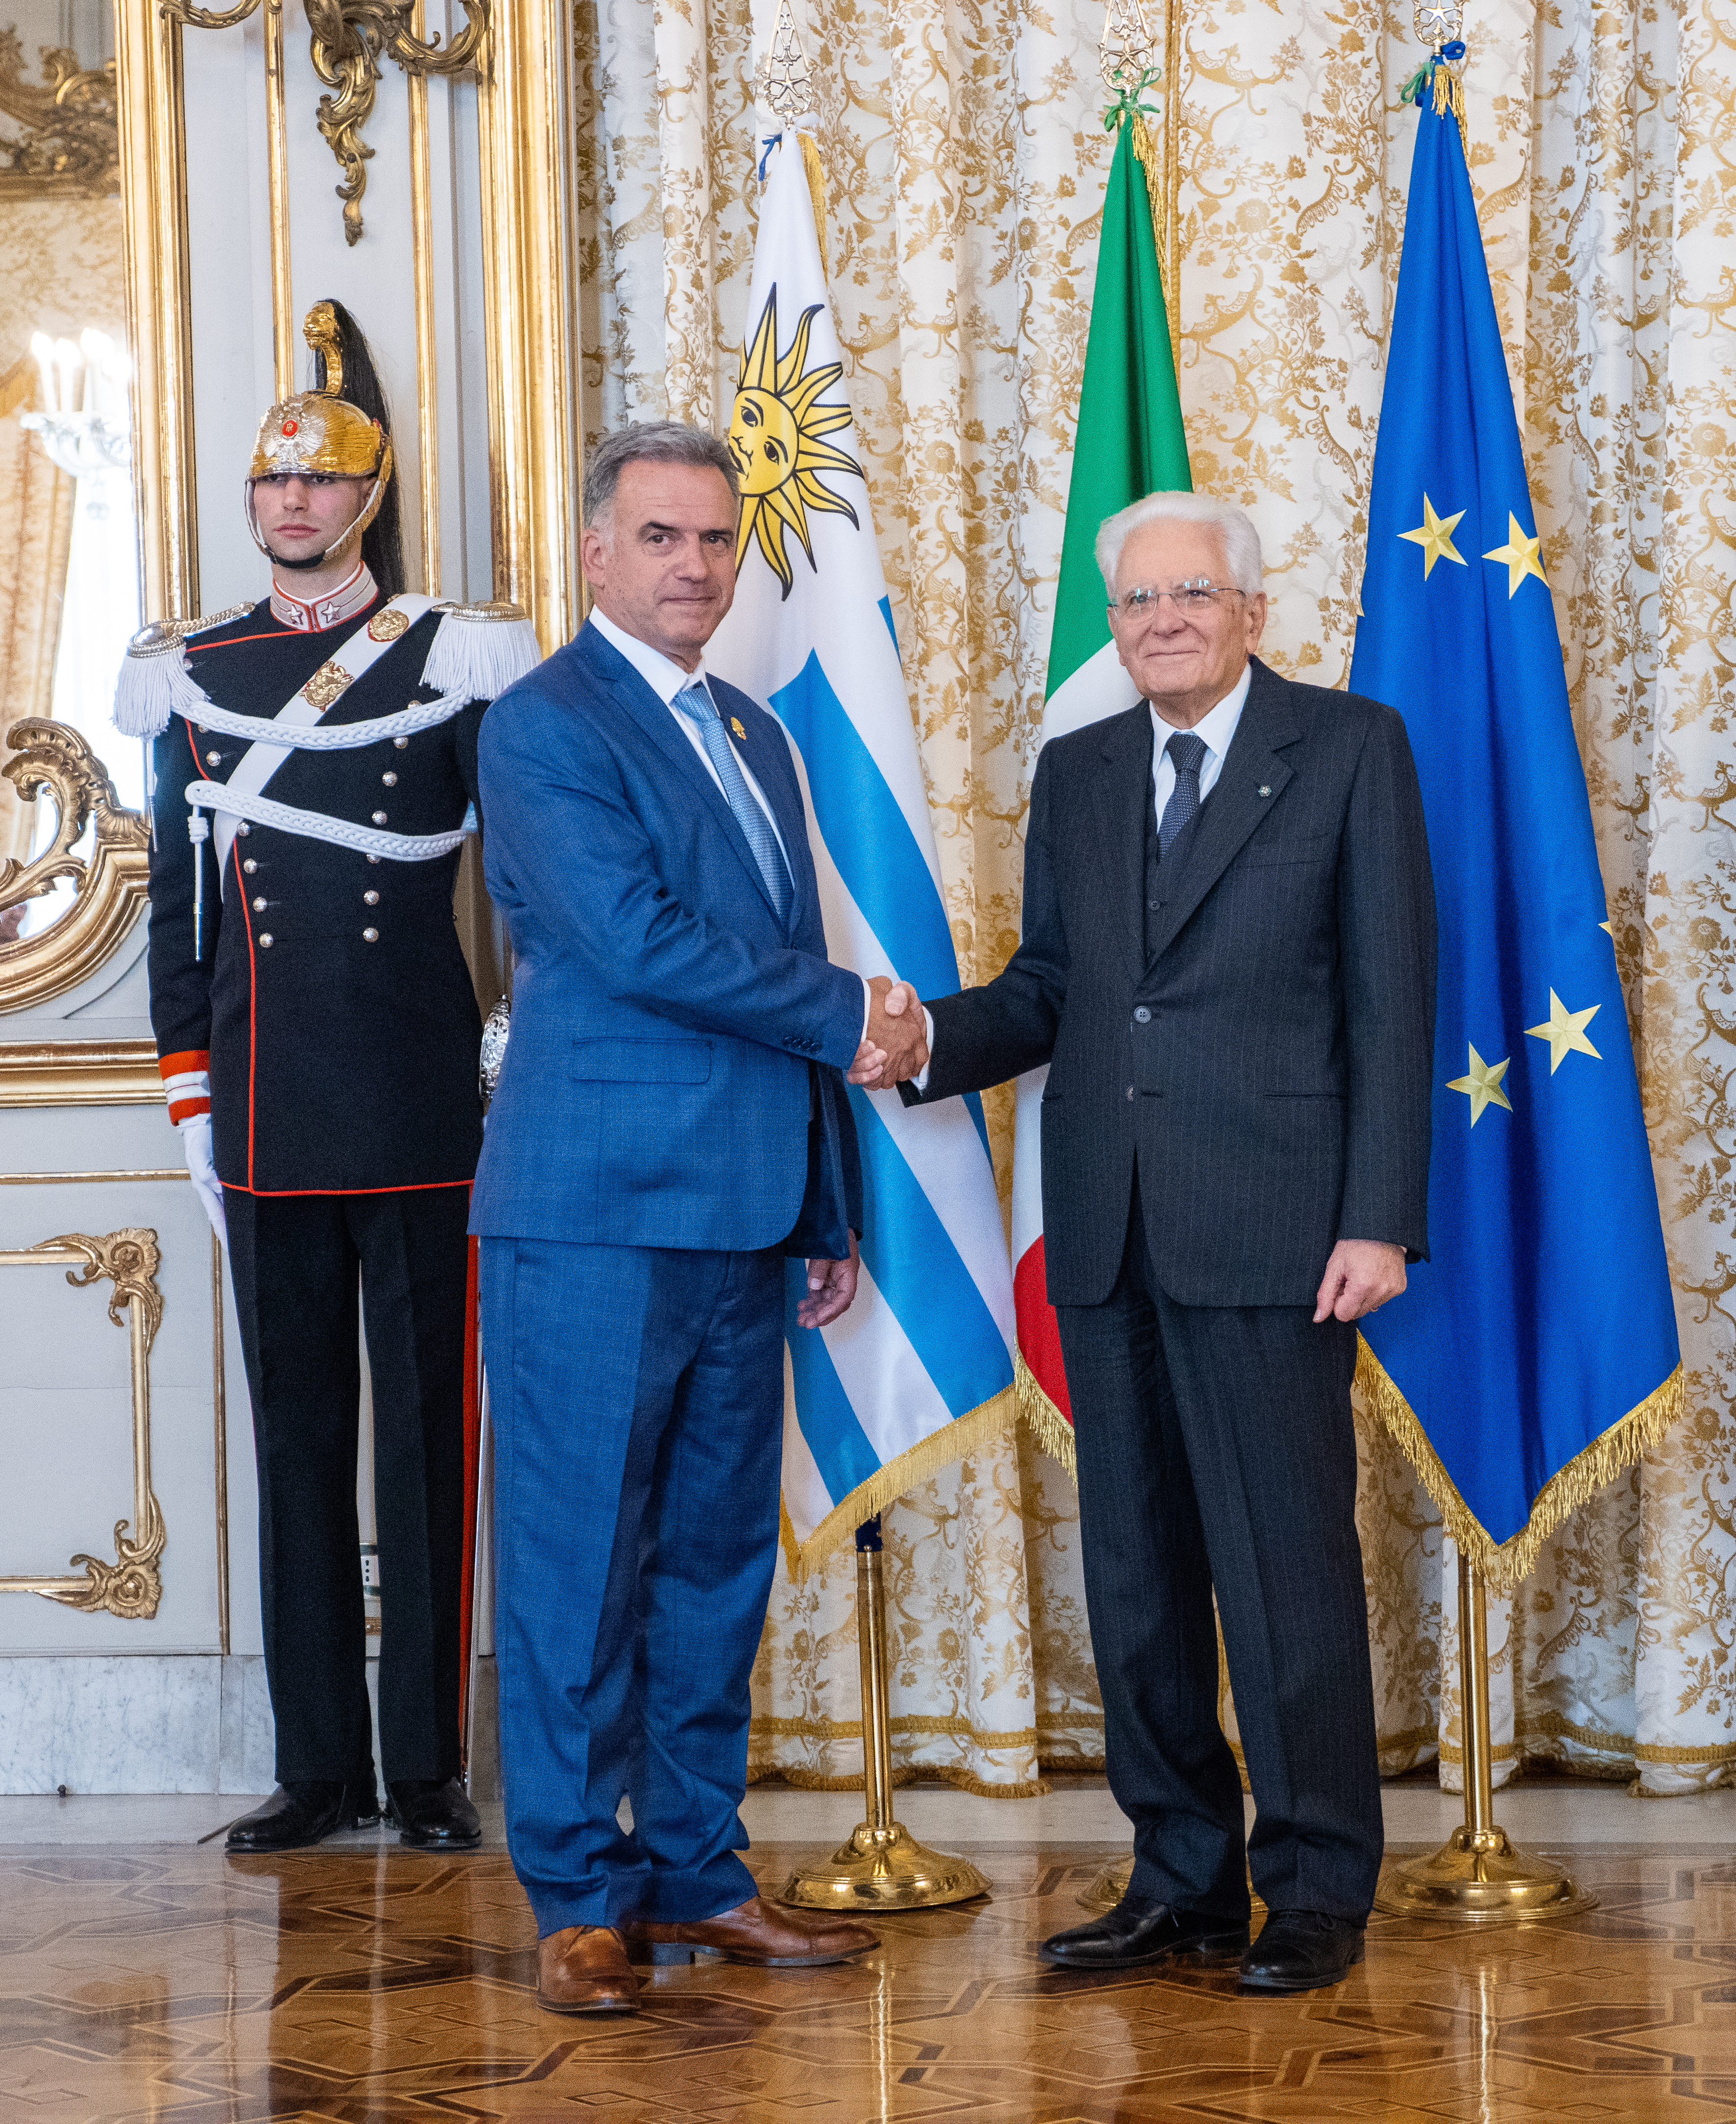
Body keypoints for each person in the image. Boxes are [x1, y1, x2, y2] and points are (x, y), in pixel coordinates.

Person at [868, 491, 1437, 1994]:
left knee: (1284, 1576)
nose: (1163, 622)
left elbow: (1393, 1003)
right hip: (1110, 1232)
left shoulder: (1350, 749)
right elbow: (1052, 983)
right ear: (1113, 626)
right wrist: (929, 1037)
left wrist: (1382, 1217)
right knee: (1136, 1578)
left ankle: (1315, 1888)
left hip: (1276, 1233)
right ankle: (1179, 1874)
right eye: (1137, 604)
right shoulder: (1083, 766)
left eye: (1191, 596)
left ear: (1251, 609)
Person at [471, 420, 914, 2015]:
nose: (695, 566)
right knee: (578, 1568)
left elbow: (767, 946)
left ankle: (698, 1877)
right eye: (660, 537)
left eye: (716, 541)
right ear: (595, 554)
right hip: (592, 1218)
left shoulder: (755, 729)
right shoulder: (543, 728)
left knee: (716, 1567)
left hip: (746, 1218)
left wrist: (825, 1205)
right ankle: (579, 1895)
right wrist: (863, 1012)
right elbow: (642, 943)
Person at [117, 300, 540, 1856]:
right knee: (295, 1439)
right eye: (271, 484)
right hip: (269, 1108)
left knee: (431, 1438)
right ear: (252, 503)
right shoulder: (192, 669)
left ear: (368, 501)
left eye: (323, 483)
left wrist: (515, 1058)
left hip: (426, 1097)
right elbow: (180, 911)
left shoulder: (456, 650)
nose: (295, 503)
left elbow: (520, 884)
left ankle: (424, 1765)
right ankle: (319, 1767)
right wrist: (190, 1099)